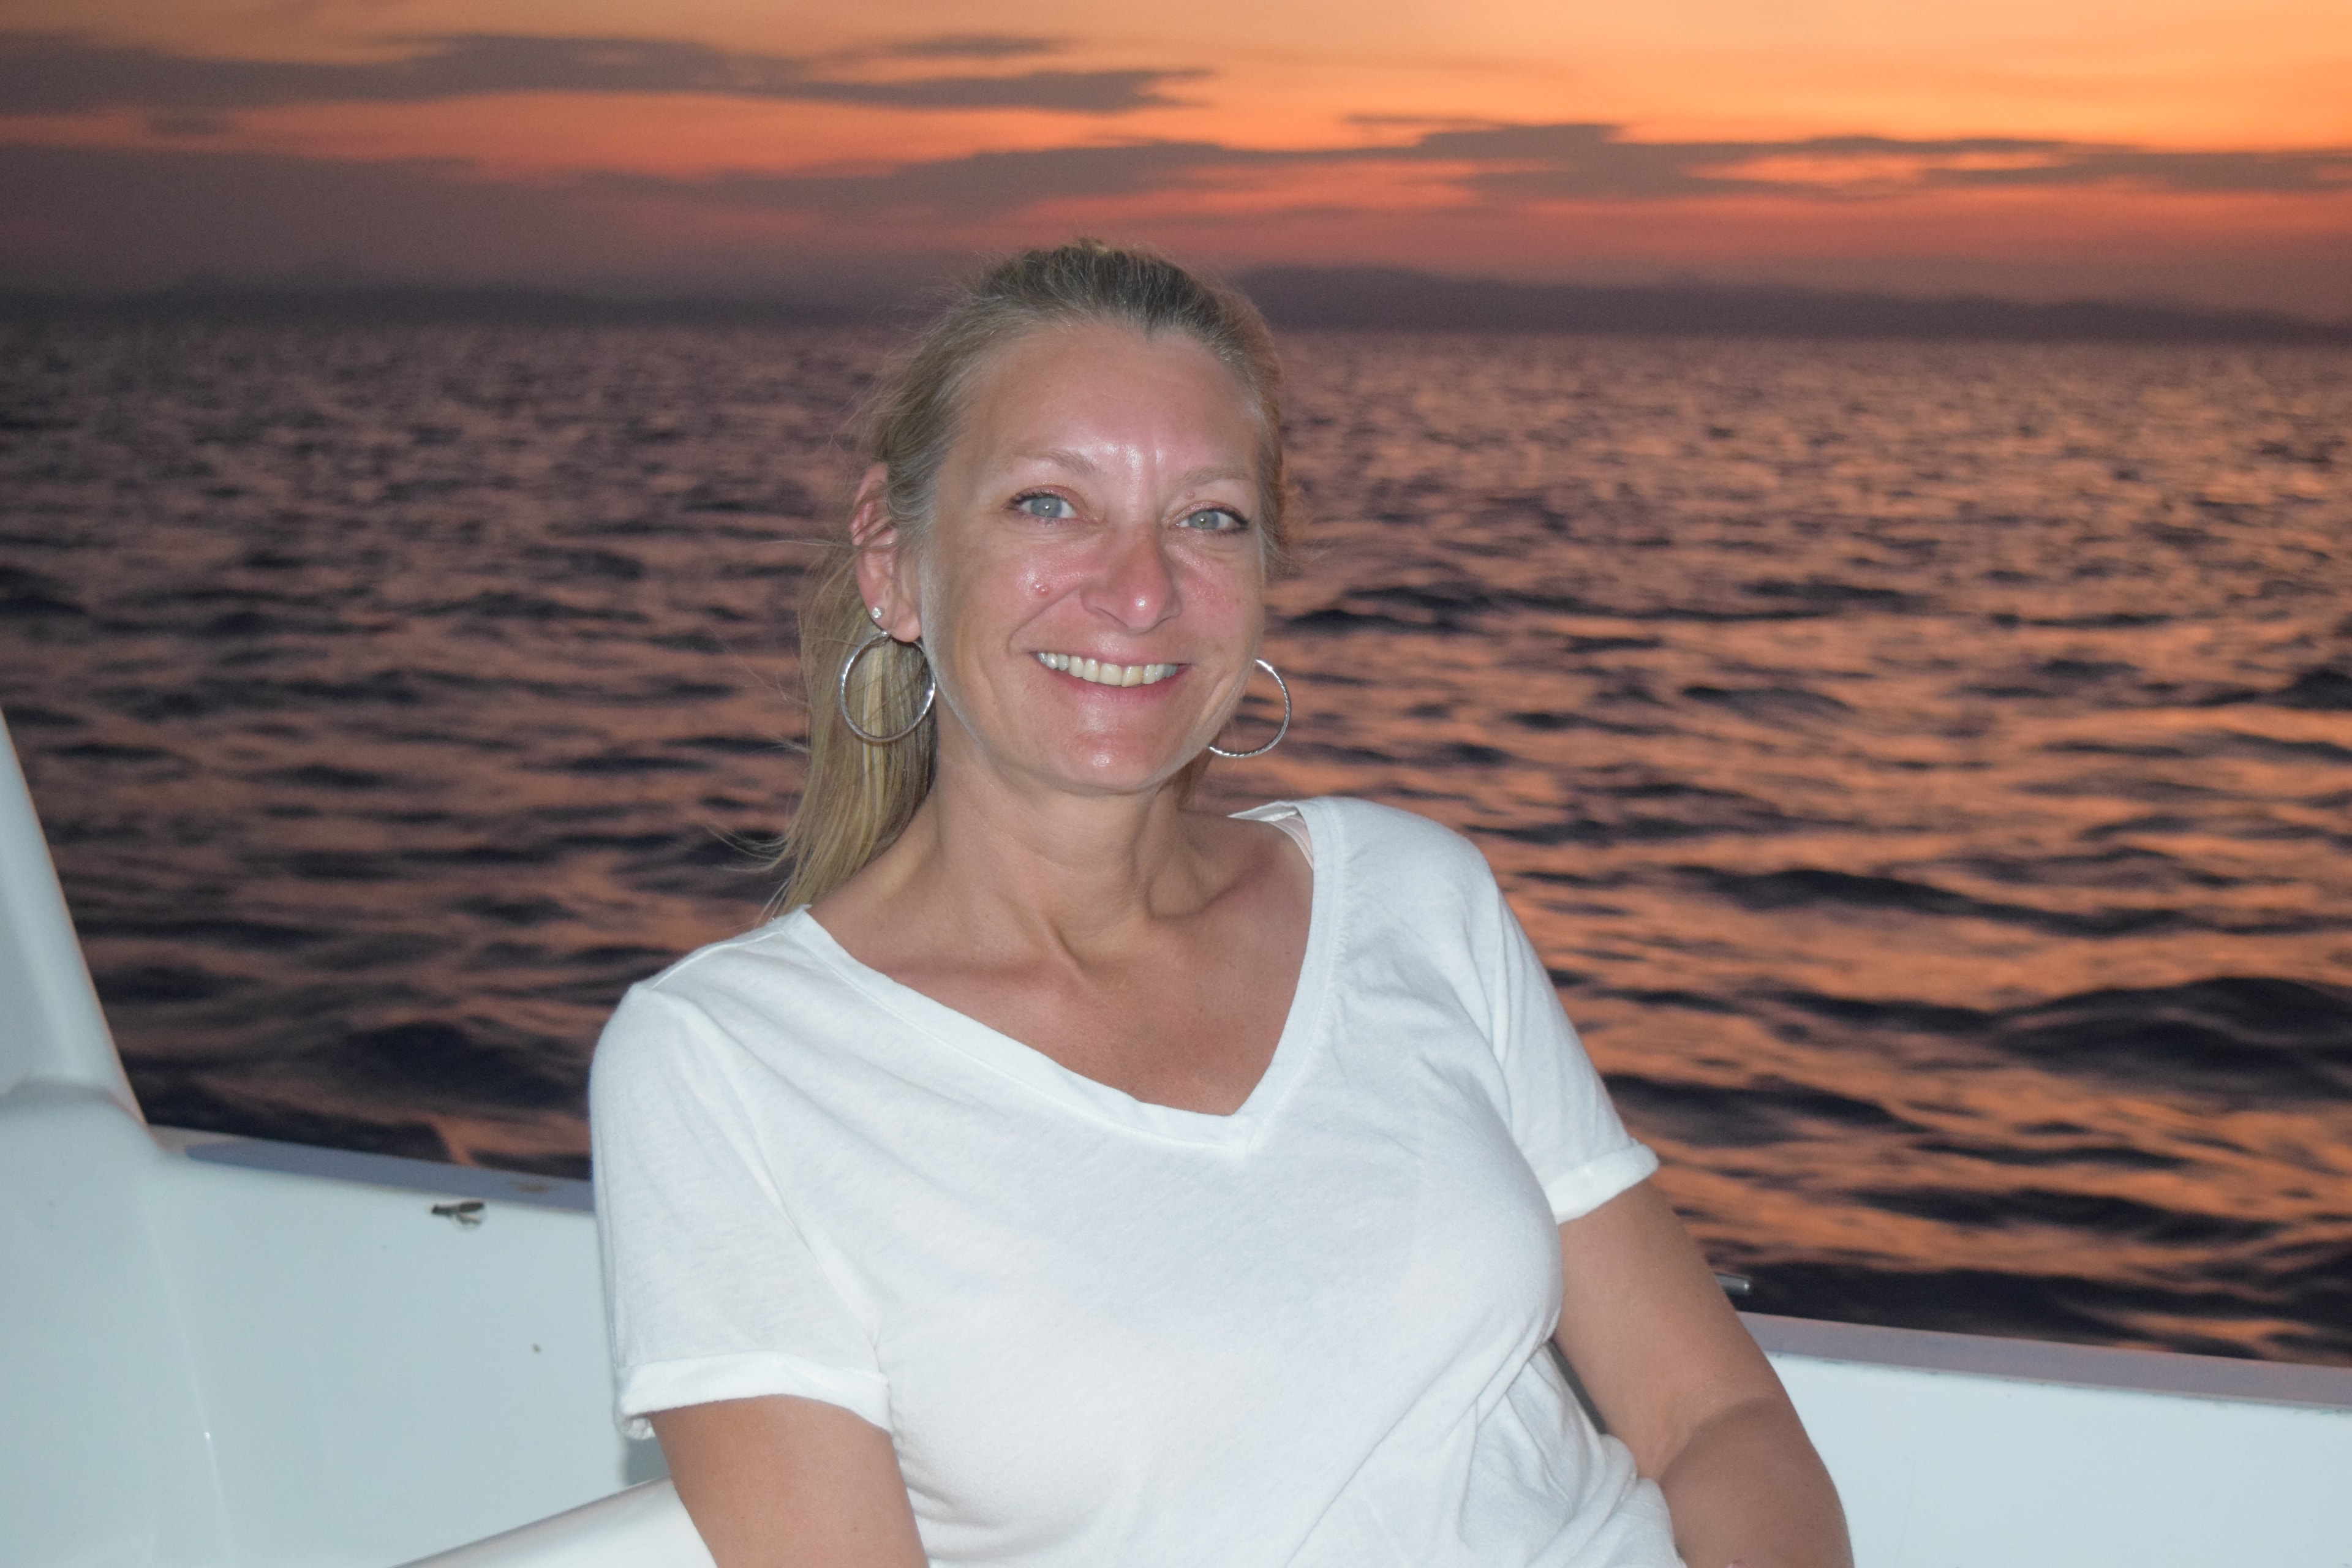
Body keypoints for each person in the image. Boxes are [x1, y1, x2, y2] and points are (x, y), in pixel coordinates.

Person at [589, 239, 1850, 1568]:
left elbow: (1716, 1418)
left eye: (1208, 519)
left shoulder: (1413, 895)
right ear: (893, 561)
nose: (1141, 591)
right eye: (1048, 504)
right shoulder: (729, 1065)